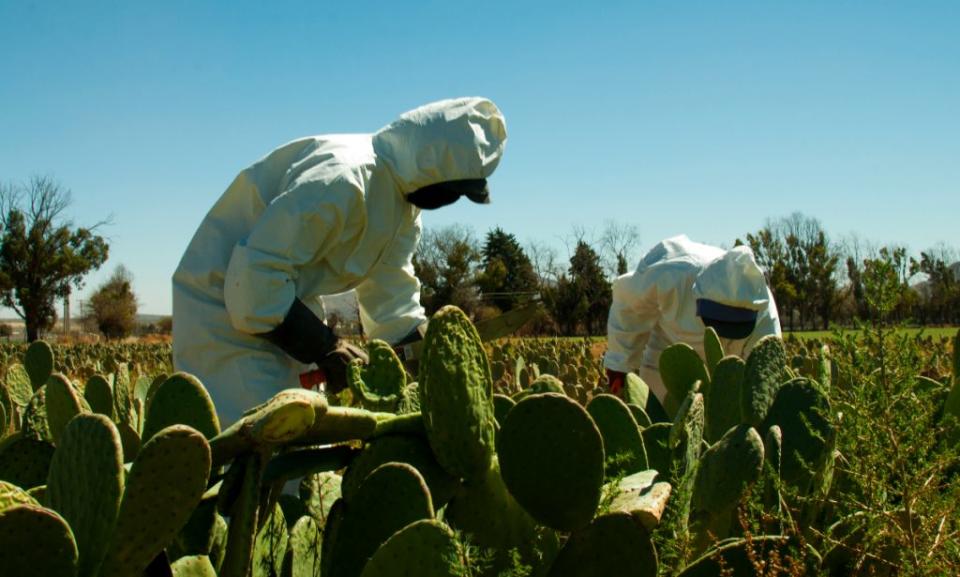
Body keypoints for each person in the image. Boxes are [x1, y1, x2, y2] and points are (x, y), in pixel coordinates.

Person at [172, 97, 507, 426]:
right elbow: (253, 282)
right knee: (265, 457)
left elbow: (391, 299)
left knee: (302, 452)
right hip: (225, 320)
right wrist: (327, 346)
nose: (453, 200)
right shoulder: (343, 179)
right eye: (456, 190)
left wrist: (431, 353)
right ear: (432, 166)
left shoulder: (403, 209)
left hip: (283, 314)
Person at [603, 234, 781, 406]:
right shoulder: (672, 271)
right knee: (655, 414)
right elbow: (629, 306)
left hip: (725, 369)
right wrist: (619, 364)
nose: (721, 333)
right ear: (700, 293)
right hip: (666, 349)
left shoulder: (762, 307)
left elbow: (761, 375)